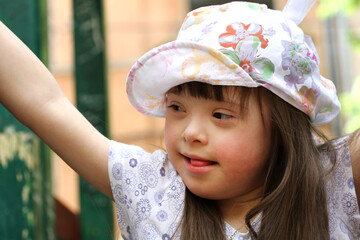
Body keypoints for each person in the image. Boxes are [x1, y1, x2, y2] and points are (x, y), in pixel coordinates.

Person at [0, 0, 359, 239]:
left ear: (284, 128)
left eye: (221, 115)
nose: (190, 132)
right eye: (176, 108)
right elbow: (46, 103)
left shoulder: (336, 180)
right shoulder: (152, 189)